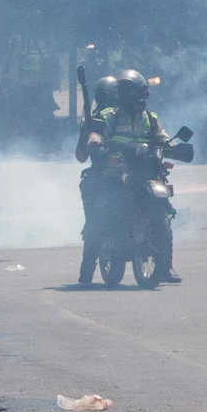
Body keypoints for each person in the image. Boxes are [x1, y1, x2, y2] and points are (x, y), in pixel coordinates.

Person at [86, 70, 181, 283]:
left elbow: (164, 140)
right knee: (111, 206)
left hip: (146, 171)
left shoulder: (152, 119)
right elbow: (96, 134)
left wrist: (175, 149)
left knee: (163, 210)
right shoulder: (109, 115)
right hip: (117, 172)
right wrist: (97, 143)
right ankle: (111, 243)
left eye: (137, 95)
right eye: (128, 94)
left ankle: (165, 266)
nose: (134, 100)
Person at [75, 76, 117, 284]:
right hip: (101, 177)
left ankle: (86, 275)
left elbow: (80, 156)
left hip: (118, 175)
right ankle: (86, 273)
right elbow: (83, 155)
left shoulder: (122, 117)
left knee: (94, 224)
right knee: (95, 223)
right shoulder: (101, 119)